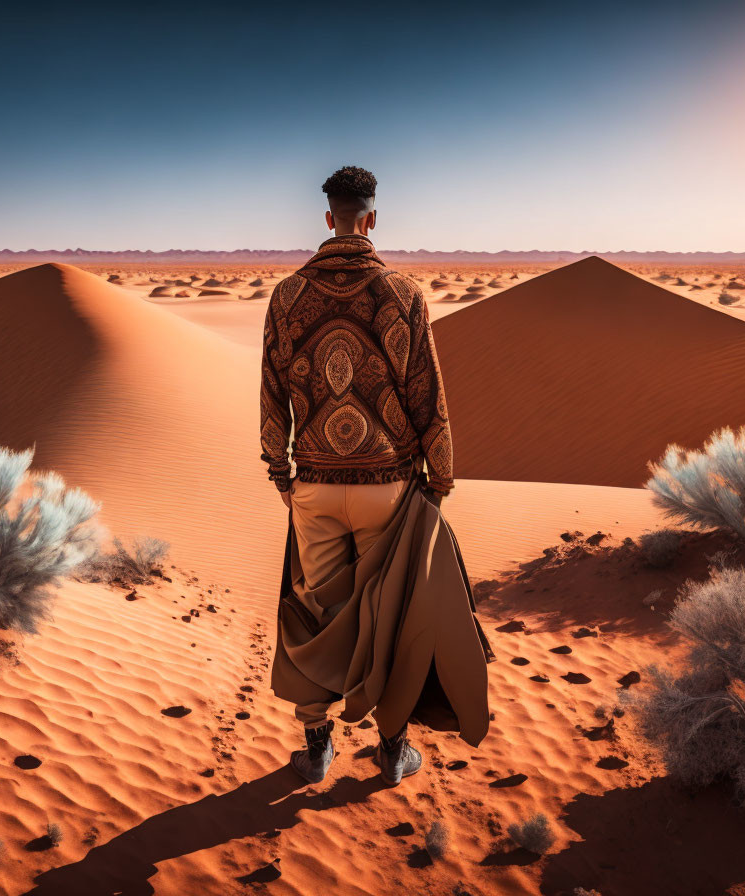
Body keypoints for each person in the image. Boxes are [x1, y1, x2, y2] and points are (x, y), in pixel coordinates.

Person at [260, 166, 456, 785]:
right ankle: (392, 750)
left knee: (316, 611)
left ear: (329, 218)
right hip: (389, 490)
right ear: (372, 218)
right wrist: (441, 476)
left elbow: (270, 394)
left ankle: (316, 747)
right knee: (389, 613)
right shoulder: (403, 294)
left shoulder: (287, 295)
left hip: (315, 485)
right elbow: (427, 394)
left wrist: (280, 470)